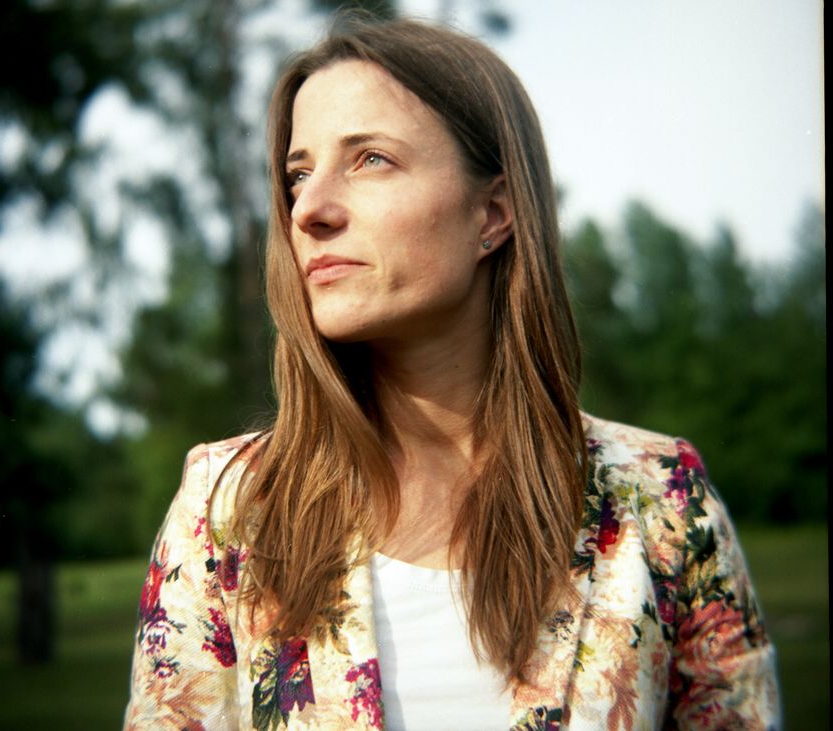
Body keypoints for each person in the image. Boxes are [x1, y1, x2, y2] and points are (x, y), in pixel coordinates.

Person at [124, 16, 780, 731]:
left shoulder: (660, 503)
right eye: (298, 174)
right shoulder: (231, 509)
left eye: (370, 159)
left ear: (492, 213)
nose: (308, 209)